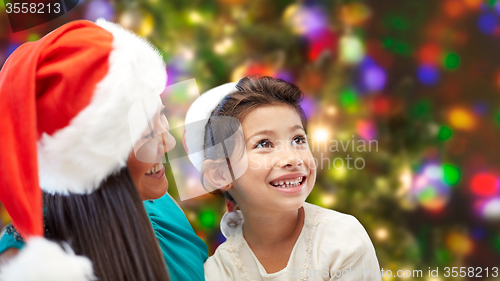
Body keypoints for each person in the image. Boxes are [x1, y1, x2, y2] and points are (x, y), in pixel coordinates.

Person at [0, 19, 208, 281]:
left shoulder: (163, 208)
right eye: (146, 133)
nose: (169, 143)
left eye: (161, 115)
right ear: (91, 161)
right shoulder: (28, 268)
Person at [185, 76, 382, 281]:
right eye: (263, 143)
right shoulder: (218, 272)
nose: (292, 158)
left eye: (298, 139)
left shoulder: (341, 240)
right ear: (220, 174)